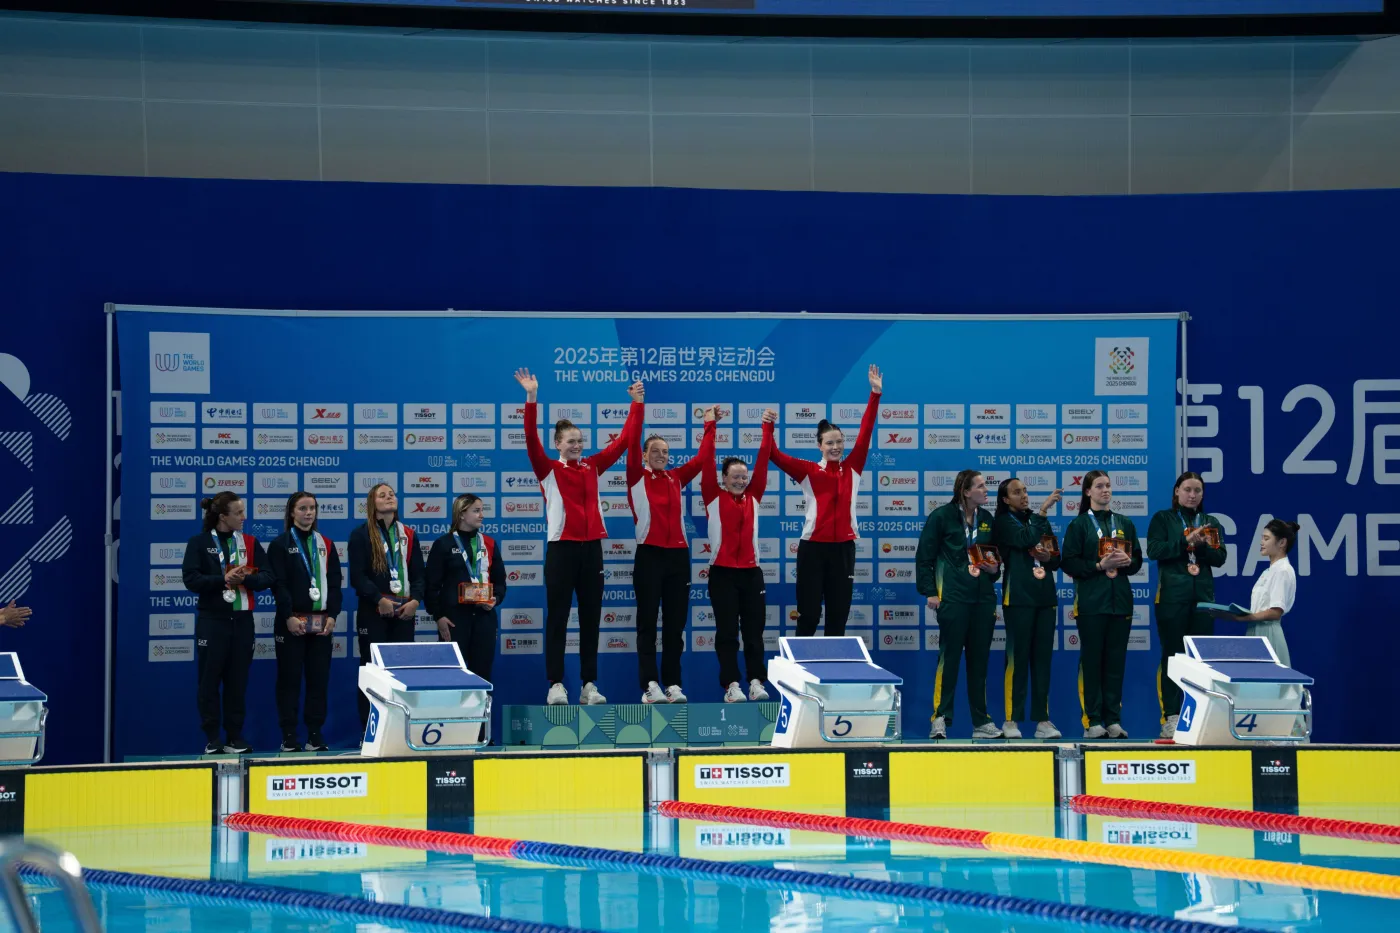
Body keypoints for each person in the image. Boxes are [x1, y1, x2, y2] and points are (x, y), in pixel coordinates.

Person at [516, 368, 643, 706]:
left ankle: (589, 684)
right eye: (570, 441)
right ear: (558, 445)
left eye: (579, 441)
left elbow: (626, 441)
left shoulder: (593, 467)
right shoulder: (549, 470)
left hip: (592, 552)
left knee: (590, 619)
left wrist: (637, 404)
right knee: (558, 618)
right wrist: (531, 398)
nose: (576, 445)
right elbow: (530, 438)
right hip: (561, 550)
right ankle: (556, 684)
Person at [769, 364, 881, 636]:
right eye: (829, 443)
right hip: (813, 550)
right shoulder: (808, 470)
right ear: (819, 445)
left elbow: (865, 433)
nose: (836, 447)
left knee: (838, 616)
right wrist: (767, 427)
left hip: (843, 550)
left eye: (839, 442)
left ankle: (832, 676)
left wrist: (875, 394)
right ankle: (802, 676)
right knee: (808, 614)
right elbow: (774, 454)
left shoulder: (853, 467)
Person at [627, 404, 717, 704]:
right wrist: (637, 405)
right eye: (655, 451)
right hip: (649, 555)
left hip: (678, 557)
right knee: (648, 624)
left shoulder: (676, 478)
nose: (662, 456)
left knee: (675, 626)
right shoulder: (635, 477)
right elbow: (631, 438)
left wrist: (709, 424)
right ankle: (650, 685)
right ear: (643, 455)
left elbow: (704, 458)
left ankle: (673, 684)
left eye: (665, 451)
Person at [181, 492, 271, 754]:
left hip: (242, 621)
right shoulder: (198, 543)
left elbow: (268, 577)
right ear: (223, 517)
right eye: (239, 513)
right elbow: (191, 580)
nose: (244, 517)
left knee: (237, 682)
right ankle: (212, 738)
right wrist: (223, 579)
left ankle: (235, 737)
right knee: (209, 682)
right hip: (213, 621)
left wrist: (244, 579)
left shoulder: (250, 543)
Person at [916, 469, 1003, 739]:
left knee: (980, 663)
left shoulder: (987, 519)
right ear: (965, 492)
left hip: (983, 600)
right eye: (980, 486)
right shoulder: (941, 517)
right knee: (950, 659)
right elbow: (924, 557)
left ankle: (981, 722)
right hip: (952, 598)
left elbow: (995, 563)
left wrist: (993, 570)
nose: (986, 489)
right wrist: (930, 592)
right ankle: (940, 717)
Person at [702, 408, 777, 703]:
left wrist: (766, 428)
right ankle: (731, 685)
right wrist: (710, 425)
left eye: (743, 477)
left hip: (751, 573)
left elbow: (763, 462)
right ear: (723, 478)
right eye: (734, 476)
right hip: (722, 573)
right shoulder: (712, 495)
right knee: (727, 634)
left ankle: (756, 681)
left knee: (754, 634)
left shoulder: (754, 496)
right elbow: (706, 461)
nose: (740, 480)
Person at [1061, 470, 1142, 739]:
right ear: (1087, 492)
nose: (1105, 490)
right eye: (1099, 486)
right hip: (1091, 604)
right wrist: (1099, 565)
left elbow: (1138, 561)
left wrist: (1127, 562)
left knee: (1115, 663)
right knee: (1093, 662)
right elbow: (1069, 563)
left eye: (1108, 486)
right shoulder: (1080, 525)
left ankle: (1113, 719)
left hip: (1120, 603)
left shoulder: (1124, 523)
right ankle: (1093, 720)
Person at [1146, 472, 1228, 739]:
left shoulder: (1210, 522)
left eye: (1198, 491)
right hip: (1171, 598)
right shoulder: (1164, 519)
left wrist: (1202, 547)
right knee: (1173, 656)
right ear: (1177, 492)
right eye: (1187, 490)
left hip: (1203, 599)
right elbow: (1155, 551)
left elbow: (1220, 558)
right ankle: (1170, 716)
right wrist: (1185, 542)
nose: (1192, 495)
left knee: (1200, 661)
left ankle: (1200, 714)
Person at [266, 491, 342, 752]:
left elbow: (335, 584)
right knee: (289, 680)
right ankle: (289, 735)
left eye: (312, 508)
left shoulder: (327, 544)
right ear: (291, 513)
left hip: (321, 624)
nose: (309, 513)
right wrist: (288, 616)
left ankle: (314, 734)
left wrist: (333, 615)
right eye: (302, 508)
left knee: (318, 680)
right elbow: (279, 584)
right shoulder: (279, 544)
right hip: (291, 624)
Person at [992, 479, 1064, 740]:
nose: (1023, 495)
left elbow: (1056, 558)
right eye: (1016, 492)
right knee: (1017, 660)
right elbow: (1024, 539)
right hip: (1019, 598)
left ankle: (1042, 720)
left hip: (1045, 598)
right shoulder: (1003, 522)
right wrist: (1043, 512)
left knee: (1042, 662)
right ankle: (1011, 719)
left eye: (1025, 491)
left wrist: (1049, 558)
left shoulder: (1037, 519)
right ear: (1005, 499)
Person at [349, 482, 424, 729]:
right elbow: (358, 577)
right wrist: (378, 600)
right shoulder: (361, 535)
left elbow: (419, 575)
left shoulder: (409, 534)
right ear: (373, 504)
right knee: (372, 672)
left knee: (402, 672)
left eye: (392, 493)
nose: (389, 496)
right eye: (382, 495)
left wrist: (415, 601)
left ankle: (399, 728)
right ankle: (369, 729)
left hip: (404, 613)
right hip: (374, 612)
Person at [426, 494, 508, 682]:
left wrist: (495, 599)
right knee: (452, 676)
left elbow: (500, 582)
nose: (482, 515)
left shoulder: (489, 543)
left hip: (484, 619)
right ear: (462, 514)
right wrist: (438, 616)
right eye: (476, 510)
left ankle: (481, 713)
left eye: (482, 510)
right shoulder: (443, 544)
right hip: (454, 620)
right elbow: (431, 586)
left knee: (483, 675)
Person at [1233, 519, 1300, 666]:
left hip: (1268, 635)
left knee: (1269, 686)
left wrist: (1244, 618)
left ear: (1282, 542)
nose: (1261, 542)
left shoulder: (1282, 570)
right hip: (1255, 632)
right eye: (1262, 538)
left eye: (1266, 538)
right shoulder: (1269, 571)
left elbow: (1275, 612)